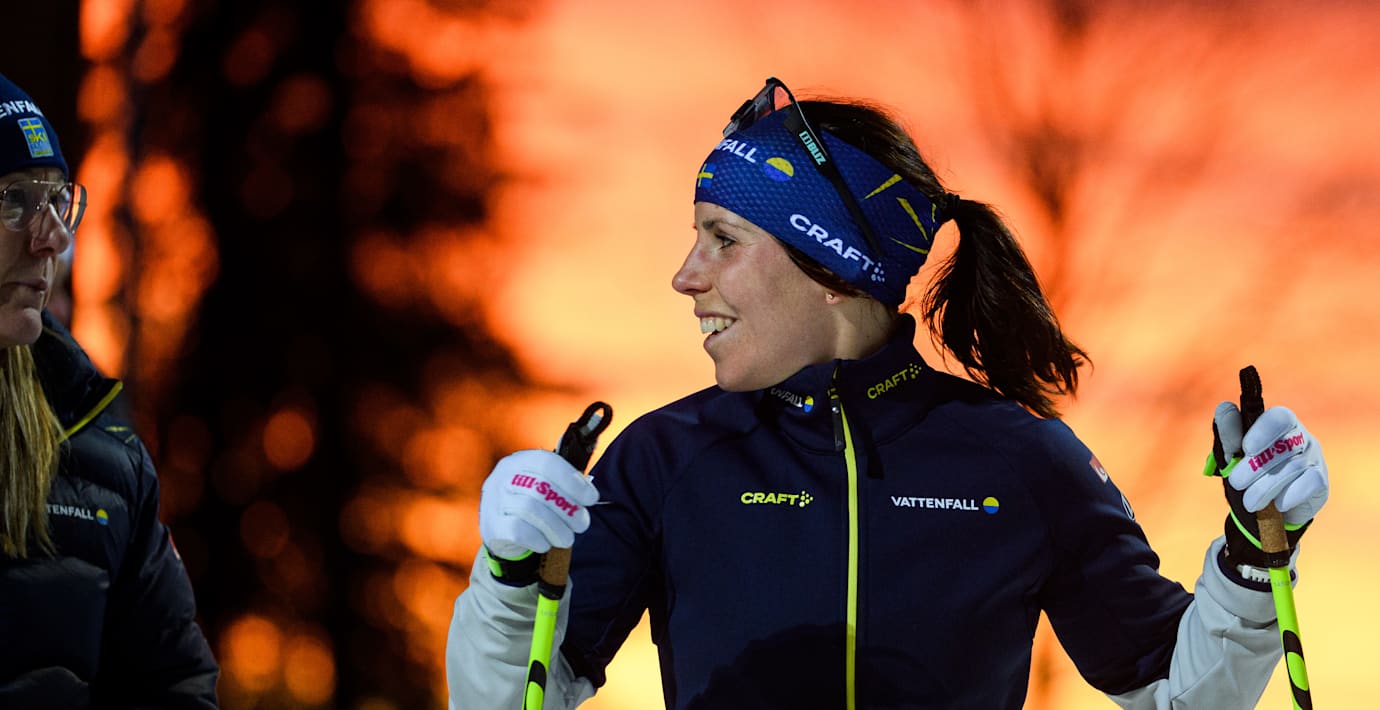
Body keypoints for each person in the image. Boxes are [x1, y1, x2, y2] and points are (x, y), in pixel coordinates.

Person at [446, 77, 1330, 708]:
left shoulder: (1019, 458)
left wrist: (1256, 556)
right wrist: (509, 578)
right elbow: (520, 697)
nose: (687, 276)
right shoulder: (664, 458)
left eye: (723, 239)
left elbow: (1177, 689)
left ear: (832, 269)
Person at [0, 73, 219, 708]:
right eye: (15, 201)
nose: (54, 237)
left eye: (57, 201)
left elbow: (175, 686)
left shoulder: (104, 462)